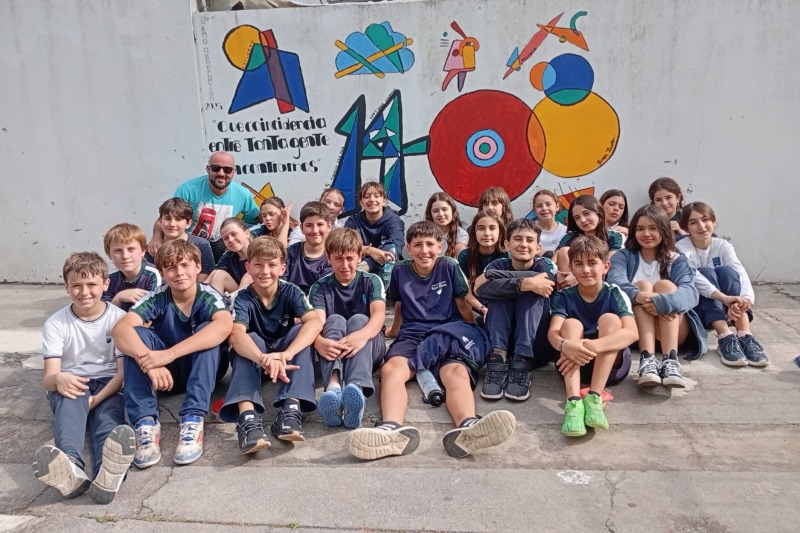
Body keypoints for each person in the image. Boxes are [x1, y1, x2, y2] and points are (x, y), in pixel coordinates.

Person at [346, 221, 516, 460]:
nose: (424, 250)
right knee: (391, 370)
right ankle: (391, 429)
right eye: (417, 245)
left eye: (429, 244)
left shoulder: (449, 266)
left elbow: (462, 303)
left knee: (455, 372)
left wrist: (471, 332)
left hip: (447, 331)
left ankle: (468, 426)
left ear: (439, 246)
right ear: (408, 248)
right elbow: (400, 305)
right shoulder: (399, 271)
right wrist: (393, 331)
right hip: (412, 334)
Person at [112, 239, 233, 467]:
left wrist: (168, 355)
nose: (179, 273)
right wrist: (151, 363)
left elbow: (224, 326)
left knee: (209, 330)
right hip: (166, 376)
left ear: (198, 267)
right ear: (162, 273)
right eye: (171, 268)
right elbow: (120, 330)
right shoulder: (157, 297)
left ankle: (193, 419)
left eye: (185, 265)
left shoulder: (209, 295)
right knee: (136, 335)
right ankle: (145, 423)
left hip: (204, 369)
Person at [34, 252, 134, 504]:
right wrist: (59, 379)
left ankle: (107, 476)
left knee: (108, 421)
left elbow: (122, 373)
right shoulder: (56, 323)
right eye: (76, 285)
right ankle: (70, 466)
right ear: (66, 286)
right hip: (73, 381)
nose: (84, 292)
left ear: (106, 284)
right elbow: (48, 378)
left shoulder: (118, 319)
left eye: (91, 284)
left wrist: (97, 399)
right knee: (70, 402)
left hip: (109, 384)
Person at [217, 236, 322, 452]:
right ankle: (247, 418)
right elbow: (236, 335)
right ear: (248, 267)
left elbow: (314, 322)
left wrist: (286, 354)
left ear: (282, 268)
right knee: (249, 338)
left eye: (272, 265)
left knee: (301, 331)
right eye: (258, 264)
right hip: (257, 359)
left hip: (285, 361)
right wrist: (262, 358)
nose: (265, 271)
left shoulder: (291, 291)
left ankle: (290, 408)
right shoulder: (242, 297)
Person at [606, 206, 706, 389]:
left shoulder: (676, 259)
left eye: (653, 228)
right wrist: (642, 296)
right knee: (642, 285)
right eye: (640, 228)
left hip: (674, 332)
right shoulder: (623, 257)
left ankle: (671, 360)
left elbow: (690, 293)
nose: (646, 234)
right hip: (638, 333)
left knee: (666, 286)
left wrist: (663, 303)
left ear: (664, 230)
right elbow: (615, 282)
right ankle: (647, 359)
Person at [548, 237, 639, 437]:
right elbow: (553, 333)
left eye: (592, 263)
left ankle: (595, 397)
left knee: (610, 320)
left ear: (605, 266)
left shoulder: (614, 293)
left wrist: (593, 346)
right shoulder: (563, 296)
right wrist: (565, 345)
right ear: (571, 268)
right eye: (579, 264)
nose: (586, 270)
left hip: (611, 366)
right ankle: (573, 403)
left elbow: (632, 332)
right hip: (573, 364)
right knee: (570, 324)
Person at [309, 228, 387, 428]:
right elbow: (316, 322)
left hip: (369, 347)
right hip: (334, 347)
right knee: (334, 320)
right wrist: (318, 342)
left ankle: (355, 390)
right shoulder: (320, 287)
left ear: (360, 256)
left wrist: (362, 336)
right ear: (328, 258)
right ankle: (334, 389)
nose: (344, 265)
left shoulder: (371, 280)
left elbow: (378, 314)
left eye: (350, 258)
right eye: (338, 259)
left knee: (360, 319)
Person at [473, 219, 557, 401]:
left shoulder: (546, 264)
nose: (523, 244)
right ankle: (498, 359)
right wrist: (526, 282)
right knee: (504, 291)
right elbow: (481, 290)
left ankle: (522, 361)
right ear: (507, 245)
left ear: (538, 247)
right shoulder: (496, 264)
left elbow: (548, 280)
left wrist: (491, 276)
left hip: (535, 347)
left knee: (533, 291)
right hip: (499, 344)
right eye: (518, 239)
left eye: (529, 240)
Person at [678, 202, 768, 367]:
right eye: (693, 222)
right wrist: (723, 298)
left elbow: (740, 272)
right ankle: (725, 336)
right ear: (686, 228)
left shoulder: (723, 245)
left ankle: (745, 335)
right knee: (705, 273)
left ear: (714, 222)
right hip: (700, 308)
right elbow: (694, 277)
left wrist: (745, 299)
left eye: (705, 219)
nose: (701, 226)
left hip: (728, 307)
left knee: (727, 271)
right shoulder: (681, 247)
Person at [148, 152, 260, 261]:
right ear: (208, 169)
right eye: (216, 168)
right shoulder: (188, 189)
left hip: (222, 245)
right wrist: (156, 237)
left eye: (227, 170)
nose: (221, 173)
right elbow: (168, 216)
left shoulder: (242, 194)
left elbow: (258, 219)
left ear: (233, 172)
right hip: (189, 243)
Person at [555, 196, 624, 289]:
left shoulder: (614, 237)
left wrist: (578, 279)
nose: (583, 220)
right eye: (577, 218)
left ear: (598, 212)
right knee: (564, 251)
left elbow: (610, 268)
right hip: (571, 282)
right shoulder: (570, 237)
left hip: (602, 283)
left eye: (586, 213)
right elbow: (553, 263)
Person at [146, 198, 215, 282]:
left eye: (178, 219)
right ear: (160, 221)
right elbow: (150, 280)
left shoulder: (202, 245)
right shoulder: (153, 248)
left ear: (188, 223)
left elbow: (203, 282)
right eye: (168, 218)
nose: (172, 224)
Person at [344, 181, 405, 274]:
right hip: (356, 270)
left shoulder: (394, 221)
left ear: (384, 201)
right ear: (361, 202)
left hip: (387, 271)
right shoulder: (353, 221)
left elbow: (395, 247)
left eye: (376, 196)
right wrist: (369, 250)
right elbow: (344, 245)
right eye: (366, 197)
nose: (372, 200)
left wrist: (368, 264)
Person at [457, 211, 507, 322]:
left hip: (501, 307)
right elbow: (466, 292)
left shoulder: (507, 256)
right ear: (474, 232)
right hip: (475, 307)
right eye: (481, 228)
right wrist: (482, 309)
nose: (487, 233)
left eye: (492, 228)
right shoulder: (465, 255)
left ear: (500, 232)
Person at [102, 223, 161, 312]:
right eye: (118, 251)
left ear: (143, 250)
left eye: (131, 249)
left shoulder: (153, 275)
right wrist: (119, 298)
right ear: (109, 254)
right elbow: (104, 314)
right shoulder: (109, 280)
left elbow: (153, 311)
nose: (125, 256)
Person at [283, 201, 334, 294]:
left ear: (329, 226)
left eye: (320, 224)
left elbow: (319, 293)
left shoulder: (333, 258)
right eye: (309, 225)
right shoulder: (290, 253)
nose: (315, 230)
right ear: (301, 228)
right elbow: (281, 285)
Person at [205, 218, 253, 295]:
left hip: (259, 294)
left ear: (247, 233)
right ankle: (213, 301)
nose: (230, 240)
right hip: (239, 294)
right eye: (225, 238)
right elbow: (213, 276)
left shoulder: (260, 251)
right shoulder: (228, 255)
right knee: (218, 274)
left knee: (250, 274)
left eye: (234, 234)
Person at [425, 192, 467, 258]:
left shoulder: (461, 235)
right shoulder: (423, 234)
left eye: (444, 209)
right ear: (430, 214)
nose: (441, 214)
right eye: (435, 211)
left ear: (452, 211)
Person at [532, 189, 567, 255]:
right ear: (535, 210)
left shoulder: (565, 232)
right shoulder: (529, 231)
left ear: (557, 207)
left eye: (548, 204)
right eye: (539, 206)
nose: (544, 208)